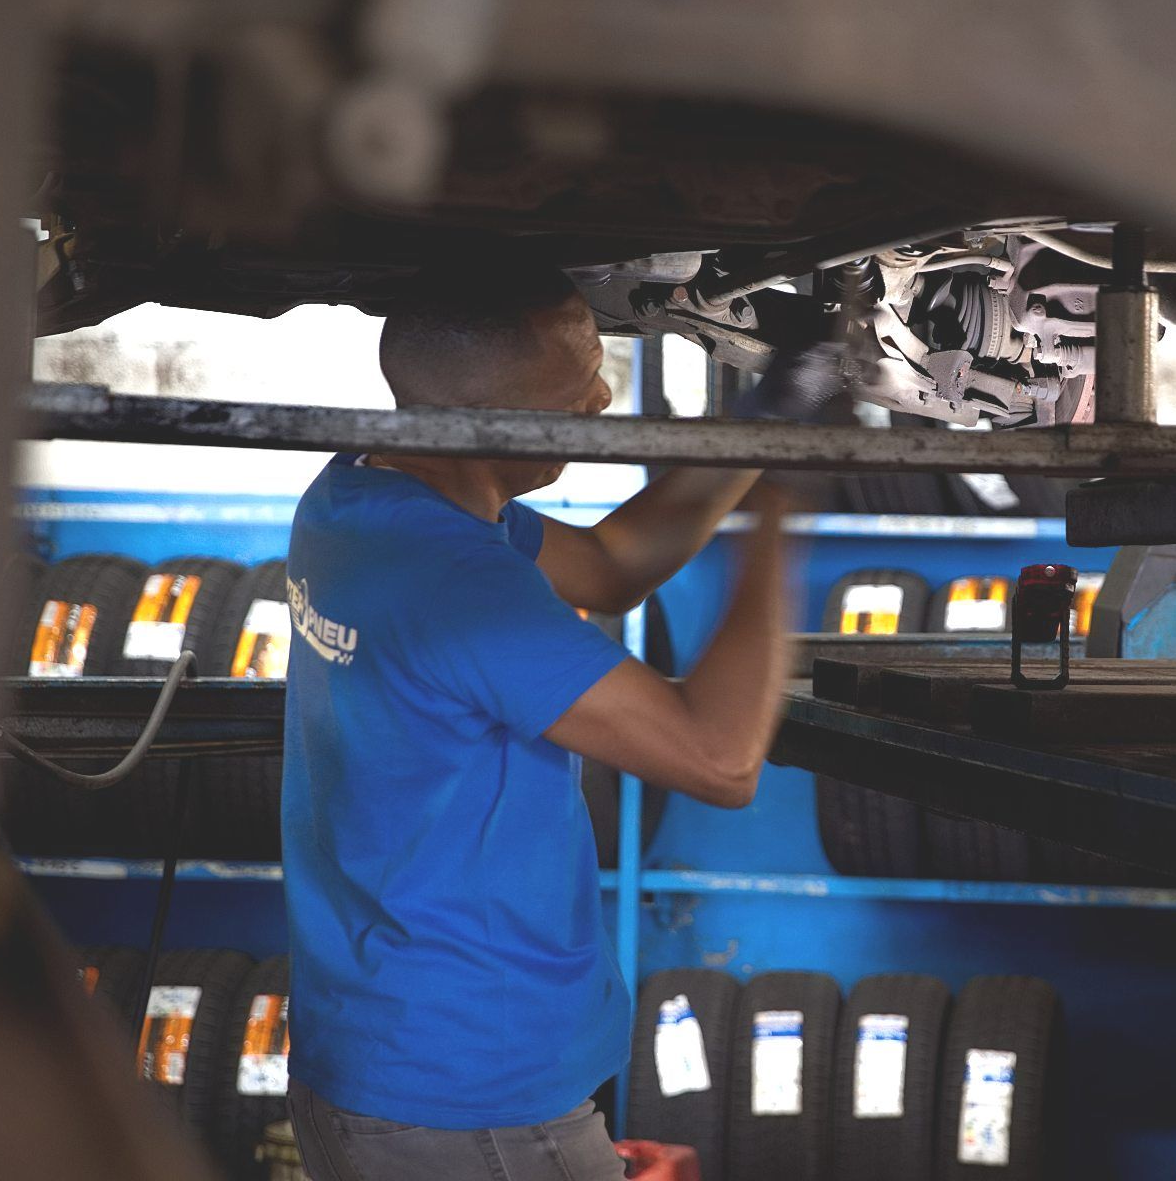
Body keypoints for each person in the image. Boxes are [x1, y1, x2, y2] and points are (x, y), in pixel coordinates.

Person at [280, 265, 817, 1180]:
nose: (602, 400)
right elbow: (720, 761)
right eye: (580, 388)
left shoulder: (362, 501)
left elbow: (612, 565)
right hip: (472, 1099)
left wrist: (772, 420)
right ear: (492, 420)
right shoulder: (464, 587)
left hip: (375, 1052)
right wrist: (778, 521)